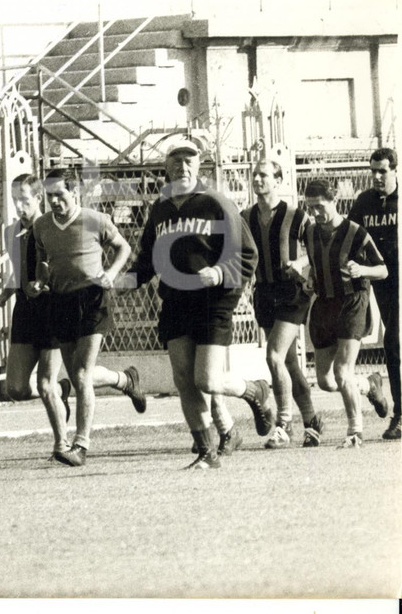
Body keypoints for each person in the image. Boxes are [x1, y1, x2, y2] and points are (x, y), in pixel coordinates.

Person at [131, 138, 272, 470]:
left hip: (213, 299)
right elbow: (147, 260)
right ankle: (207, 451)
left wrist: (221, 272)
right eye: (176, 160)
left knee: (206, 380)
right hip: (176, 299)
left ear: (199, 164)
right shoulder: (160, 208)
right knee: (183, 379)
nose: (183, 165)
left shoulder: (217, 202)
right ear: (165, 167)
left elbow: (248, 255)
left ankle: (255, 391)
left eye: (189, 159)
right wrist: (123, 282)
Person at [26, 168, 145, 467]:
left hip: (92, 299)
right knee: (81, 376)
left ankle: (80, 445)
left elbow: (124, 248)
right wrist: (40, 281)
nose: (54, 201)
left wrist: (112, 273)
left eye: (60, 195)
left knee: (80, 374)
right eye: (49, 196)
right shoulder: (41, 226)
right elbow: (43, 261)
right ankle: (125, 380)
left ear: (74, 192)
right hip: (61, 302)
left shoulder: (95, 220)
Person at [292, 178, 389, 447]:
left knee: (343, 371)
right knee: (325, 380)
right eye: (310, 207)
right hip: (324, 305)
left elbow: (383, 269)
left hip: (351, 302)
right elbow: (314, 263)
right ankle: (369, 385)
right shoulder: (310, 232)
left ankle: (355, 432)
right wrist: (310, 279)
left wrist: (363, 270)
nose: (315, 213)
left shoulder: (357, 233)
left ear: (334, 201)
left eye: (320, 206)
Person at [0, 173, 73, 461]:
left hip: (52, 308)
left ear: (39, 199)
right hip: (25, 311)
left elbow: (62, 268)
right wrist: (6, 292)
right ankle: (62, 394)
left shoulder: (52, 227)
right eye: (14, 200)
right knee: (14, 389)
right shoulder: (11, 231)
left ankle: (62, 445)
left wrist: (46, 283)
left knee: (44, 383)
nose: (18, 206)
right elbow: (20, 272)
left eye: (24, 199)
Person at [242, 160, 323, 448]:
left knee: (274, 356)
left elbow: (317, 249)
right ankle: (312, 422)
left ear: (278, 179)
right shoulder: (245, 216)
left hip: (292, 293)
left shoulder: (295, 215)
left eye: (264, 175)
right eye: (255, 174)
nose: (257, 179)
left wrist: (298, 263)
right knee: (288, 362)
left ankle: (283, 424)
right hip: (264, 293)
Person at [348, 148, 399, 440]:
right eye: (373, 171)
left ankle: (399, 417)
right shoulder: (364, 202)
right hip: (380, 280)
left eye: (383, 171)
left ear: (394, 169)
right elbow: (350, 236)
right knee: (393, 343)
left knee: (393, 342)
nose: (377, 176)